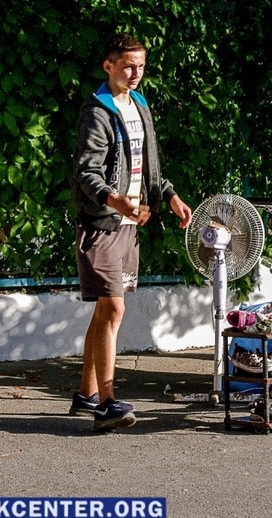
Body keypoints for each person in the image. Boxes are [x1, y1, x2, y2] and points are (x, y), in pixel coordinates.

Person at [70, 34, 193, 430]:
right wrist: (115, 200)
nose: (136, 73)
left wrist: (169, 195)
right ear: (108, 66)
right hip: (102, 224)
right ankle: (107, 403)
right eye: (127, 65)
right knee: (114, 307)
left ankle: (86, 394)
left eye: (140, 65)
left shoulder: (139, 104)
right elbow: (87, 172)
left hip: (128, 227)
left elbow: (148, 164)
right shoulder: (97, 112)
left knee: (107, 309)